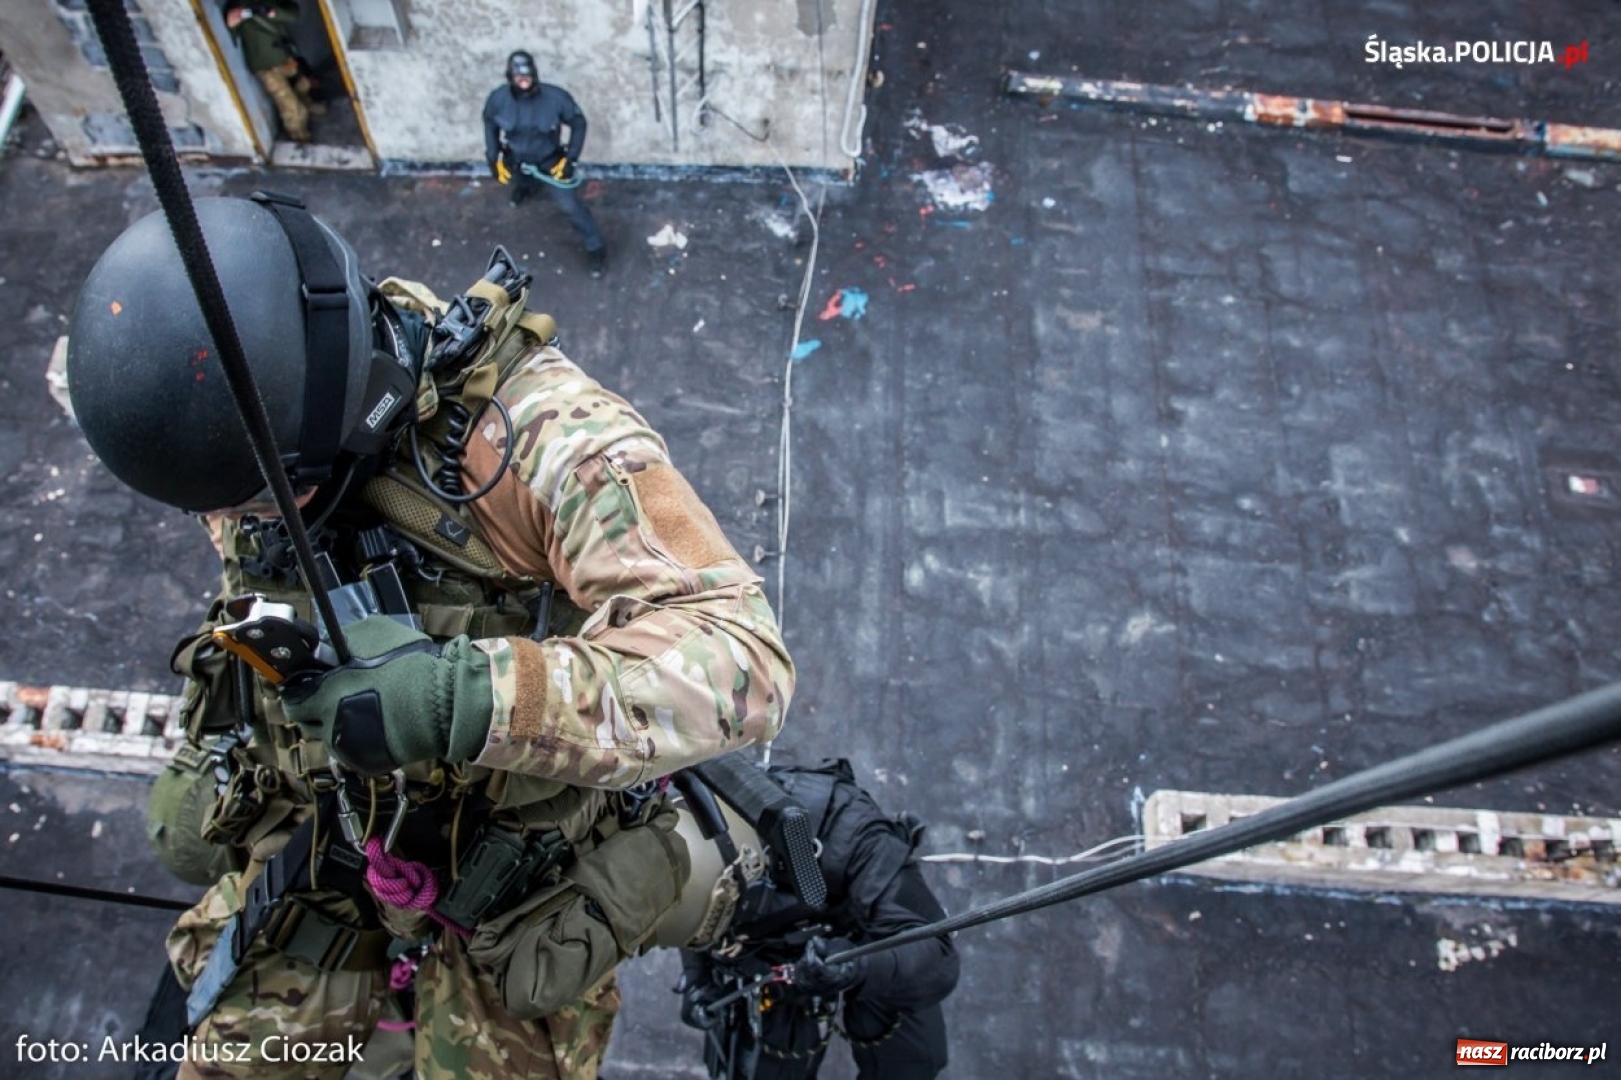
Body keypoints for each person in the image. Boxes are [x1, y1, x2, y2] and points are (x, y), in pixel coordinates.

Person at [66, 193, 795, 1080]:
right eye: (217, 509)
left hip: (501, 869)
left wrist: (465, 694)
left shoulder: (539, 439)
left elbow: (742, 661)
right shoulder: (235, 426)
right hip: (328, 831)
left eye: (258, 503)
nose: (232, 524)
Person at [677, 760, 959, 1080]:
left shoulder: (851, 833)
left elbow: (936, 956)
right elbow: (688, 909)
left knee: (910, 1062)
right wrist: (697, 979)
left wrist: (856, 968)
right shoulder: (682, 825)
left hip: (862, 946)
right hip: (767, 959)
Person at [483, 50, 608, 278]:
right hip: (516, 159)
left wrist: (570, 160)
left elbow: (578, 123)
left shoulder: (555, 98)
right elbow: (490, 123)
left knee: (571, 206)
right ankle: (525, 188)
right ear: (510, 77)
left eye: (528, 76)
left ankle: (595, 249)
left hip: (550, 161)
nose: (524, 81)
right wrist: (493, 158)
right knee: (518, 180)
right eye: (518, 77)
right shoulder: (498, 99)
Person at [222, 1, 321, 143]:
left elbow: (293, 13)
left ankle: (307, 104)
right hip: (265, 64)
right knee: (288, 103)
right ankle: (299, 135)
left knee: (303, 84)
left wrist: (271, 11)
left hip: (284, 55)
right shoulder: (237, 4)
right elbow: (230, 26)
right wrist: (240, 14)